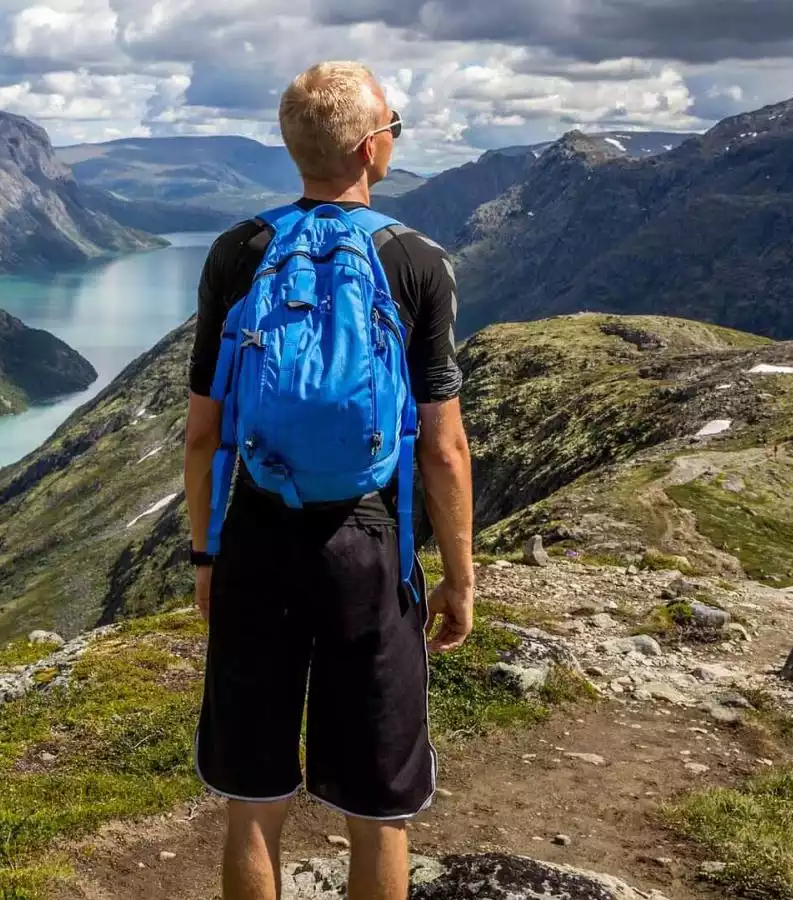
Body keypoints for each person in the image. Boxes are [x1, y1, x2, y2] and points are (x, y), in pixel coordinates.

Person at [182, 61, 476, 900]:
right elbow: (444, 448)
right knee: (379, 807)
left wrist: (207, 557)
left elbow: (204, 434)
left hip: (258, 537)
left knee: (254, 799)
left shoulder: (239, 251)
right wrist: (458, 578)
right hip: (370, 543)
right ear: (370, 148)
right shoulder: (416, 260)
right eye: (394, 125)